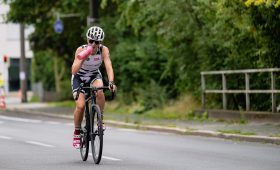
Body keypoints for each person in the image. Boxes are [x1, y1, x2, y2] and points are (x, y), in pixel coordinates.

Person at [71, 26, 116, 149]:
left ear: (100, 42)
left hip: (94, 75)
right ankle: (77, 132)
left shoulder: (103, 50)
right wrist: (83, 58)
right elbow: (74, 70)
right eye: (91, 41)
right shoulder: (80, 49)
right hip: (79, 77)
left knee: (100, 91)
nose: (94, 44)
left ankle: (100, 119)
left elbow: (109, 66)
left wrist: (111, 82)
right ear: (87, 40)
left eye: (97, 42)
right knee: (80, 106)